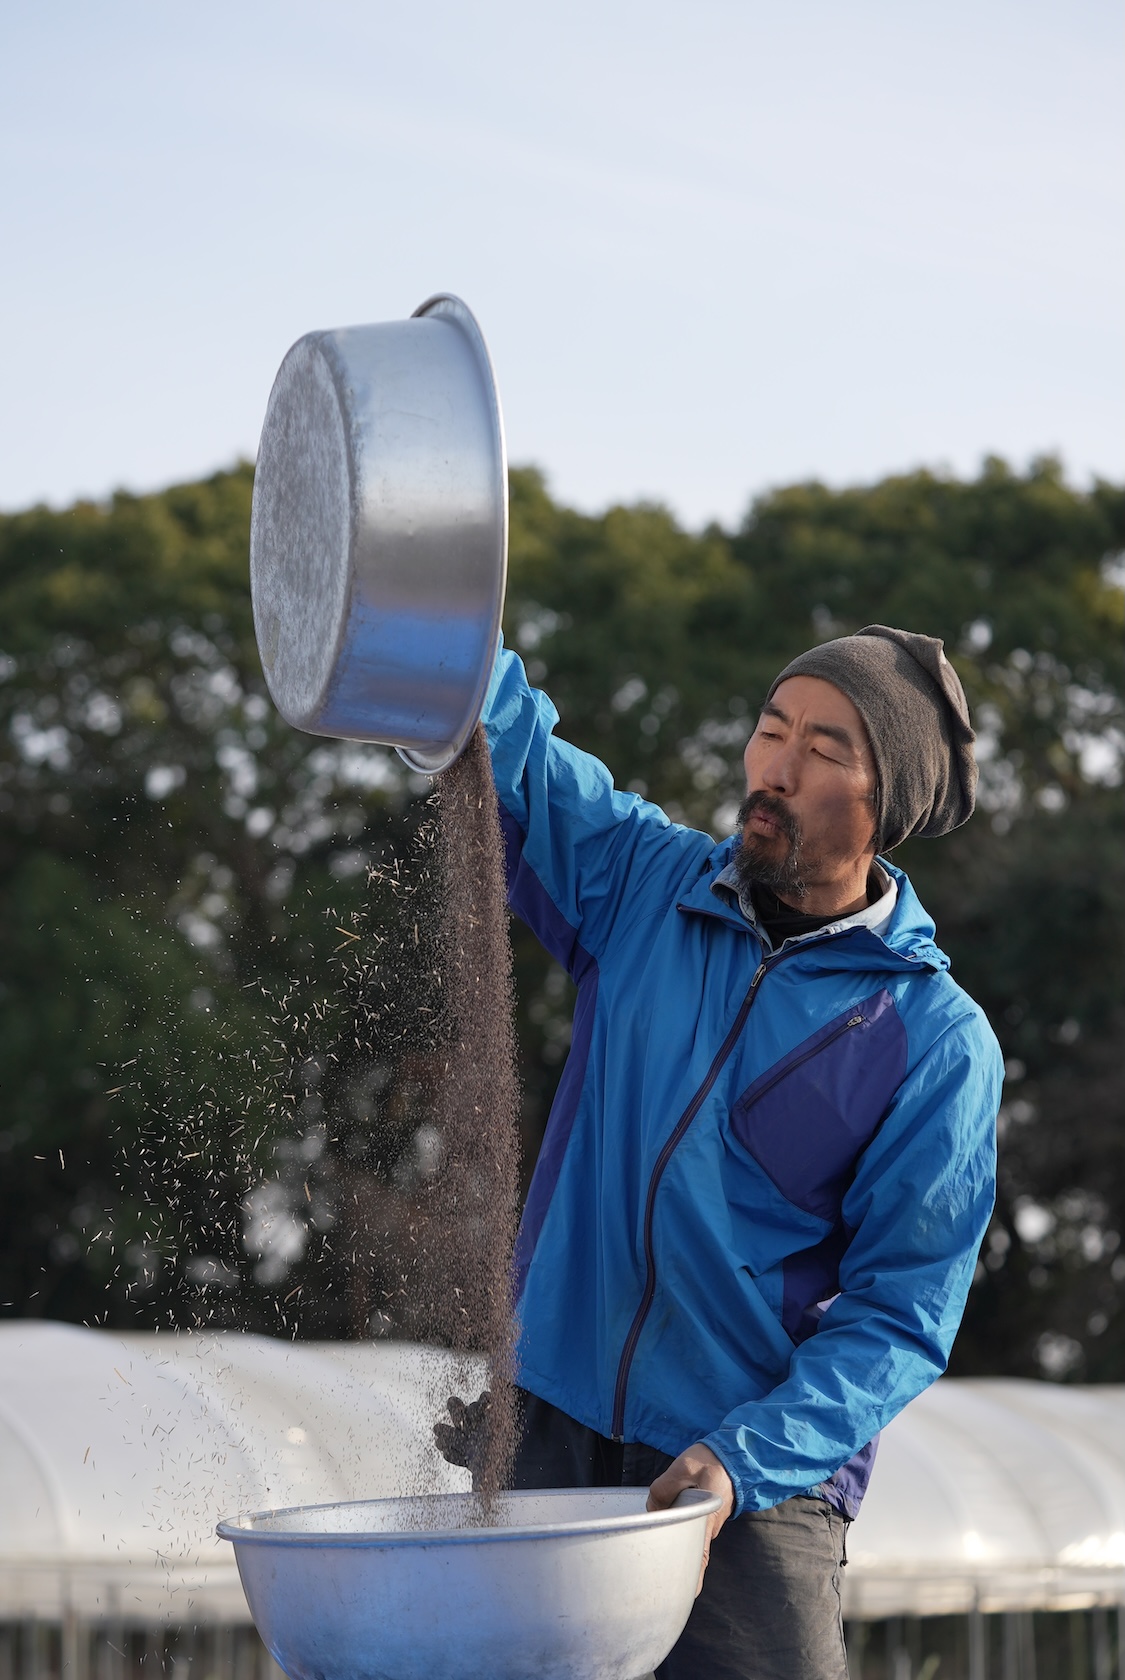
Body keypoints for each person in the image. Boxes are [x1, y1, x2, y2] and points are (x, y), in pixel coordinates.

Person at [437, 624, 1001, 1680]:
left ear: (888, 807)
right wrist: (435, 616)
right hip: (545, 1424)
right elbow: (512, 751)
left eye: (826, 749)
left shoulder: (932, 1040)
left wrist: (740, 1464)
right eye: (770, 729)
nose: (776, 768)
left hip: (746, 1480)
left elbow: (898, 1320)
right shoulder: (647, 887)